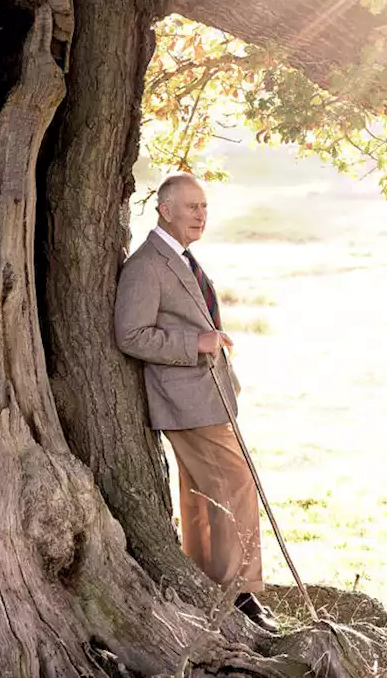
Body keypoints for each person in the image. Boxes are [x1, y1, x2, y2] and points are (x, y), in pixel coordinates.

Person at [113, 172, 280, 633]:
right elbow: (130, 335)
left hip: (208, 397)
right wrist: (197, 342)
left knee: (204, 493)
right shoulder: (147, 265)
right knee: (235, 484)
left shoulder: (182, 259)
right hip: (185, 401)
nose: (201, 215)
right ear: (165, 209)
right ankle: (240, 594)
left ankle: (209, 584)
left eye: (204, 207)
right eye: (191, 207)